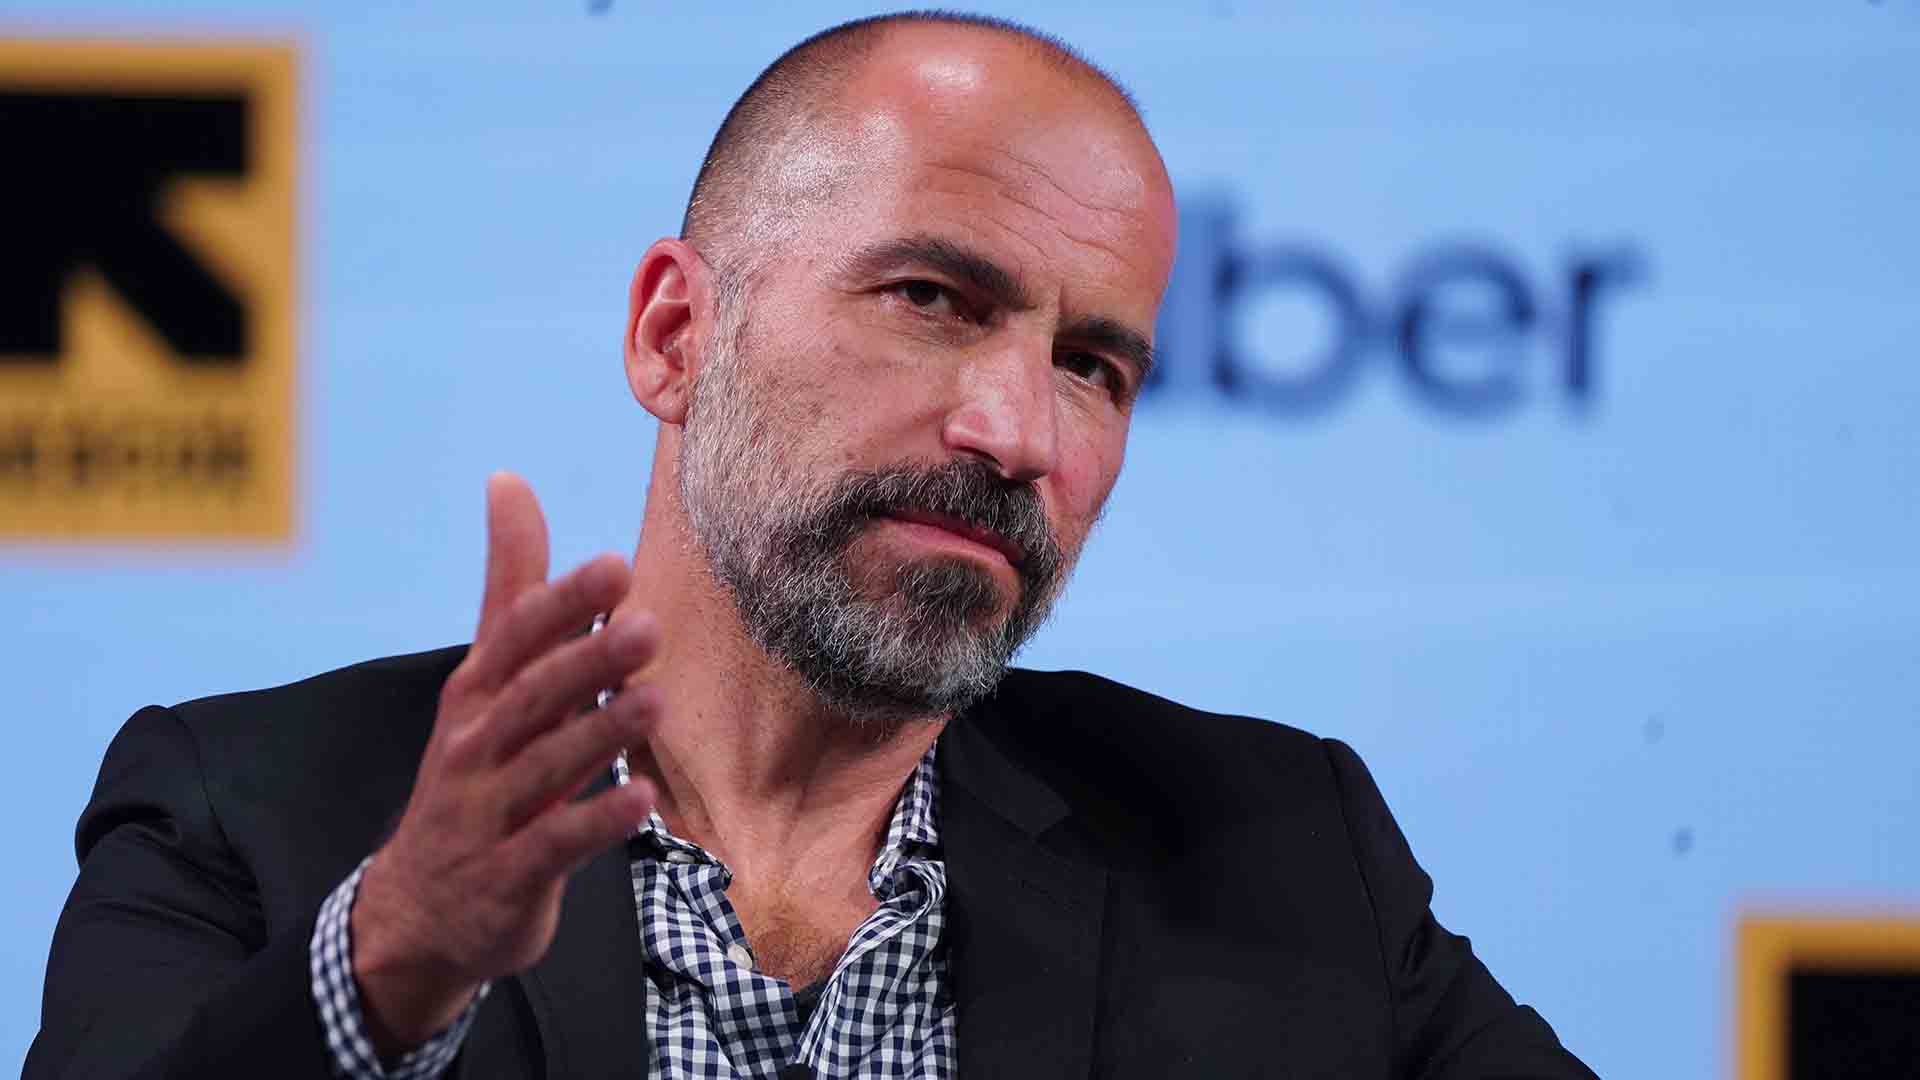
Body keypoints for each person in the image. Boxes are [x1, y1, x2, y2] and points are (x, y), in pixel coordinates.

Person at [27, 12, 1599, 1080]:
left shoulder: (1288, 856)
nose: (1017, 430)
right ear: (673, 333)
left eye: (1091, 365)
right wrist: (388, 966)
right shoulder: (250, 817)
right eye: (933, 300)